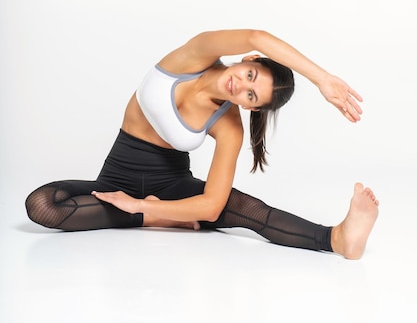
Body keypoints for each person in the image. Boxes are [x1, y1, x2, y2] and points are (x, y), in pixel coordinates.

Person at [25, 29, 379, 259]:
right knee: (43, 204)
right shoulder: (194, 56)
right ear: (248, 60)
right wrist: (321, 78)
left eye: (251, 95)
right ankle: (160, 219)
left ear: (250, 106)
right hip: (115, 177)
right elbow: (258, 34)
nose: (240, 85)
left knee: (247, 209)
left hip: (172, 187)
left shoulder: (229, 126)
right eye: (250, 75)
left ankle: (336, 238)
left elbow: (210, 206)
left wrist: (140, 207)